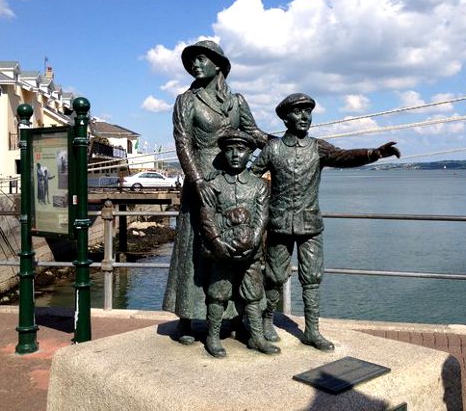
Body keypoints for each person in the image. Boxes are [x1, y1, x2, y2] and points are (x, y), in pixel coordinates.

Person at [251, 93, 400, 351]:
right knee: (274, 276)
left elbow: (344, 157)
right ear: (285, 118)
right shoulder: (272, 149)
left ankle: (312, 330)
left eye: (308, 112)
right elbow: (250, 180)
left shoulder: (318, 148)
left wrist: (374, 153)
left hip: (310, 224)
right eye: (298, 112)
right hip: (278, 223)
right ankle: (266, 321)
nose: (305, 116)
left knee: (312, 277)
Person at [162, 40, 270, 345]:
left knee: (236, 244)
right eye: (192, 61)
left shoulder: (237, 101)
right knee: (193, 251)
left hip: (234, 179)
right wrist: (197, 181)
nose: (195, 65)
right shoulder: (186, 100)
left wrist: (279, 143)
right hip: (203, 182)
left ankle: (235, 317)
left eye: (202, 60)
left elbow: (254, 133)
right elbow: (183, 143)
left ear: (218, 64)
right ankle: (185, 320)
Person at [197, 129, 280, 358]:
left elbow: (263, 216)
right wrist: (217, 242)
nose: (235, 154)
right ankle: (212, 337)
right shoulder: (214, 184)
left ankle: (257, 337)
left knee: (253, 295)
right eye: (230, 149)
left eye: (241, 149)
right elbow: (207, 216)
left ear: (250, 153)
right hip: (221, 251)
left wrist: (254, 239)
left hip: (250, 252)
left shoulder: (259, 185)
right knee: (217, 294)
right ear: (223, 152)